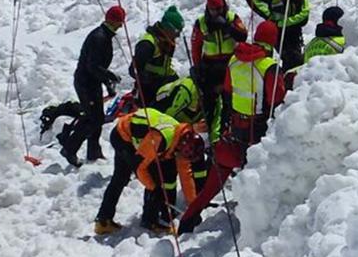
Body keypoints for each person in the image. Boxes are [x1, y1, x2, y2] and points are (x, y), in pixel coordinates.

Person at [178, 21, 286, 234]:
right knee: (259, 178)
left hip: (235, 130)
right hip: (259, 134)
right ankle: (255, 226)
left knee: (212, 184)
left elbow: (227, 93)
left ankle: (188, 220)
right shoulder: (269, 67)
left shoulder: (234, 61)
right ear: (273, 42)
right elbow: (278, 100)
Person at [93, 107, 201, 235]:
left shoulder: (181, 139)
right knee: (134, 178)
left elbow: (186, 176)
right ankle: (148, 221)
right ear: (180, 147)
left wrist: (193, 208)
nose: (181, 158)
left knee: (129, 178)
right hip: (123, 136)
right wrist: (153, 188)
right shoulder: (161, 139)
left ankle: (104, 220)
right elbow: (140, 167)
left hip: (136, 137)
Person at [60, 5, 125, 166]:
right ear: (113, 21)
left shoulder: (105, 37)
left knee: (98, 117)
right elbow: (93, 67)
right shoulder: (99, 38)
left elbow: (98, 68)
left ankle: (93, 151)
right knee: (93, 118)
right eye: (119, 22)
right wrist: (110, 76)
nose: (121, 26)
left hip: (92, 82)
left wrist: (108, 84)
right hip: (85, 83)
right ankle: (69, 148)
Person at [153, 73, 222, 200]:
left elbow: (215, 122)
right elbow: (164, 121)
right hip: (163, 130)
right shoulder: (186, 91)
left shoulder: (215, 98)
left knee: (198, 160)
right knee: (168, 171)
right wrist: (191, 128)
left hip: (185, 130)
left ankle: (199, 198)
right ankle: (165, 205)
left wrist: (214, 143)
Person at [191, 0, 247, 106]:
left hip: (230, 63)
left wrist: (228, 27)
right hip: (210, 65)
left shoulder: (232, 18)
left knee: (229, 98)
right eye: (213, 10)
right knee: (209, 100)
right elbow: (196, 47)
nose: (216, 12)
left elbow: (243, 36)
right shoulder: (201, 23)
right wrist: (197, 66)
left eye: (219, 9)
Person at [245, 0, 310, 69]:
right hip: (274, 30)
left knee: (294, 59)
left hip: (292, 30)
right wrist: (268, 15)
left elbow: (304, 15)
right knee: (266, 56)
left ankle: (287, 78)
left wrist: (283, 23)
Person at [129, 5, 183, 105]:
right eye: (176, 31)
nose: (178, 35)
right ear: (167, 27)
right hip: (147, 92)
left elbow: (164, 67)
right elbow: (133, 70)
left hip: (162, 89)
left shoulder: (166, 43)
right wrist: (152, 80)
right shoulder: (147, 44)